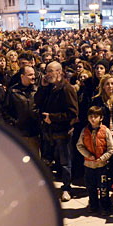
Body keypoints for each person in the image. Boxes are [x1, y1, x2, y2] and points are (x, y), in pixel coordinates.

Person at [34, 61, 79, 202]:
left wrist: (52, 118)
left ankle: (66, 188)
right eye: (47, 71)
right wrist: (42, 87)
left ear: (59, 72)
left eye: (50, 71)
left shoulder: (67, 89)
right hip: (48, 131)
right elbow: (37, 102)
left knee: (65, 163)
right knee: (46, 160)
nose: (47, 74)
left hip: (62, 131)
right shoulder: (49, 87)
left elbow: (73, 113)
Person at [76, 106, 113, 215]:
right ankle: (93, 204)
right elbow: (79, 145)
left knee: (103, 188)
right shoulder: (85, 131)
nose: (93, 119)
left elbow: (111, 148)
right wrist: (88, 155)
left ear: (101, 118)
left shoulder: (105, 131)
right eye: (90, 116)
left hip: (101, 166)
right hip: (88, 165)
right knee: (90, 186)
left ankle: (105, 206)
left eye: (95, 116)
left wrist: (102, 158)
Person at [1, 65, 41, 155]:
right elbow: (5, 110)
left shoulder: (37, 90)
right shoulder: (12, 91)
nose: (33, 77)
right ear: (22, 76)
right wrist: (14, 123)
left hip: (34, 133)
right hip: (19, 133)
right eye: (30, 75)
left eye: (34, 74)